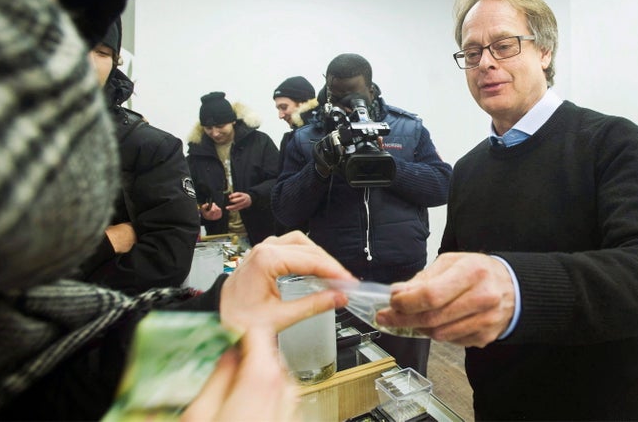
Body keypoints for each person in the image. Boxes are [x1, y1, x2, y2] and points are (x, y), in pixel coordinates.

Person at [0, 0, 355, 420]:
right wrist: (111, 242)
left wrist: (215, 313)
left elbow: (66, 362)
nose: (69, 57)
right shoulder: (180, 149)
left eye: (94, 44)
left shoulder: (233, 144)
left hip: (252, 239)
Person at [374, 0, 638, 421]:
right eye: (471, 53)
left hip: (600, 408)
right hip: (497, 404)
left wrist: (517, 287)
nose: (485, 62)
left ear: (544, 51)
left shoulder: (611, 141)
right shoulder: (467, 169)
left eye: (503, 45)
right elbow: (458, 262)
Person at [272, 53, 453, 374]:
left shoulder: (407, 128)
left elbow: (442, 185)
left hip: (402, 281)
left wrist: (388, 165)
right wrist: (320, 167)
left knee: (406, 377)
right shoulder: (305, 138)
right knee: (345, 377)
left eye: (351, 95)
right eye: (334, 96)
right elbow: (286, 210)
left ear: (371, 91)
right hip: (337, 283)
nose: (342, 104)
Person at [78, 18, 200, 295]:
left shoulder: (149, 147)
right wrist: (104, 244)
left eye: (102, 52)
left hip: (107, 328)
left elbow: (167, 262)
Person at [187, 92, 279, 245]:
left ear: (233, 121)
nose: (215, 133)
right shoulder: (196, 154)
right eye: (208, 128)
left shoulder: (260, 142)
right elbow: (188, 195)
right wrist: (202, 211)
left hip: (262, 234)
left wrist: (253, 197)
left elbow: (279, 180)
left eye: (220, 126)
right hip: (218, 238)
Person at [273, 75, 319, 168]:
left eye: (283, 107)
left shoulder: (326, 132)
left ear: (302, 104)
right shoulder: (288, 139)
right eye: (278, 109)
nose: (280, 116)